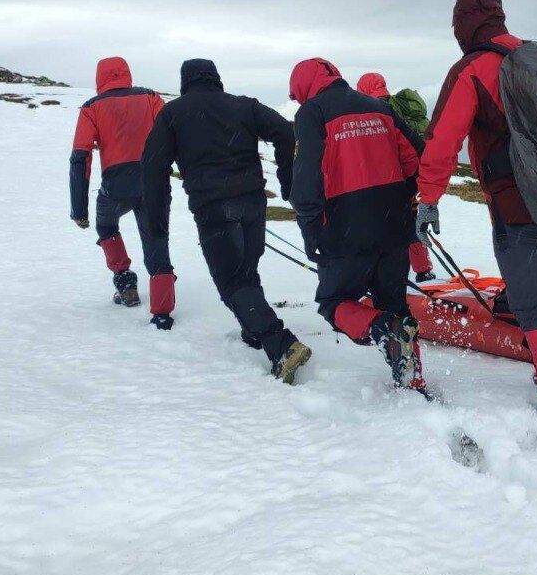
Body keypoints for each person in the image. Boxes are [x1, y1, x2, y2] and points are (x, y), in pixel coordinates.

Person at [415, 0, 537, 431]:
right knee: (535, 282)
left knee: (534, 309)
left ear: (462, 26)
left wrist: (428, 197)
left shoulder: (473, 69)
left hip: (518, 202)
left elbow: (442, 141)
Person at [141, 59, 311, 385]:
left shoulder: (172, 114)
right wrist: (287, 183)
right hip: (252, 203)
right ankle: (254, 332)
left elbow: (152, 171)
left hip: (213, 207)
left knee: (231, 281)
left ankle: (281, 345)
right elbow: (284, 133)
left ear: (185, 81)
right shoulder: (243, 106)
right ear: (216, 78)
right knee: (245, 272)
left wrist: (157, 222)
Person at [288, 59, 427, 391]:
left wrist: (310, 229)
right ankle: (412, 383)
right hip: (395, 226)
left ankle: (384, 330)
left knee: (334, 303)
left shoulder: (313, 113)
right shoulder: (378, 107)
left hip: (345, 228)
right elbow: (418, 157)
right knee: (394, 303)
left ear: (305, 87)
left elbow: (307, 178)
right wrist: (400, 196)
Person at [69, 56, 173, 310]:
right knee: (156, 239)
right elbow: (172, 134)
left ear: (99, 77)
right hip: (153, 183)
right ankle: (162, 313)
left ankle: (125, 283)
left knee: (106, 226)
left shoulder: (92, 107)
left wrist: (79, 209)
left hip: (116, 187)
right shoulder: (151, 98)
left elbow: (80, 157)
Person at [356, 71, 437, 283]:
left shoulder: (366, 115)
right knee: (410, 227)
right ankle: (424, 271)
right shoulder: (394, 110)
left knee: (378, 229)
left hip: (380, 184)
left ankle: (384, 275)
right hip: (404, 182)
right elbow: (411, 152)